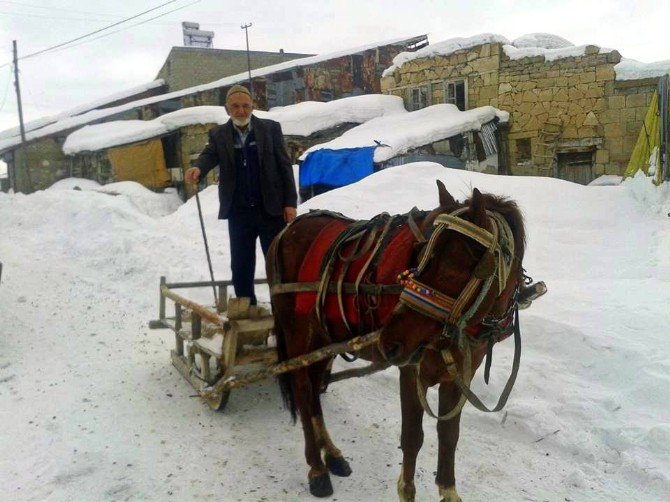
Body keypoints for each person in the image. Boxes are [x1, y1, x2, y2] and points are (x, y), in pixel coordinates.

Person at [184, 84, 297, 306]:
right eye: (235, 107)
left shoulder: (270, 129)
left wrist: (290, 203)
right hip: (239, 211)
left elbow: (285, 166)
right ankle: (247, 307)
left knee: (276, 263)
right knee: (241, 263)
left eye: (246, 106)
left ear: (253, 107)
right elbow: (209, 155)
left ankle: (283, 309)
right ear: (227, 109)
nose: (241, 111)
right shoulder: (219, 134)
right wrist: (198, 168)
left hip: (271, 210)